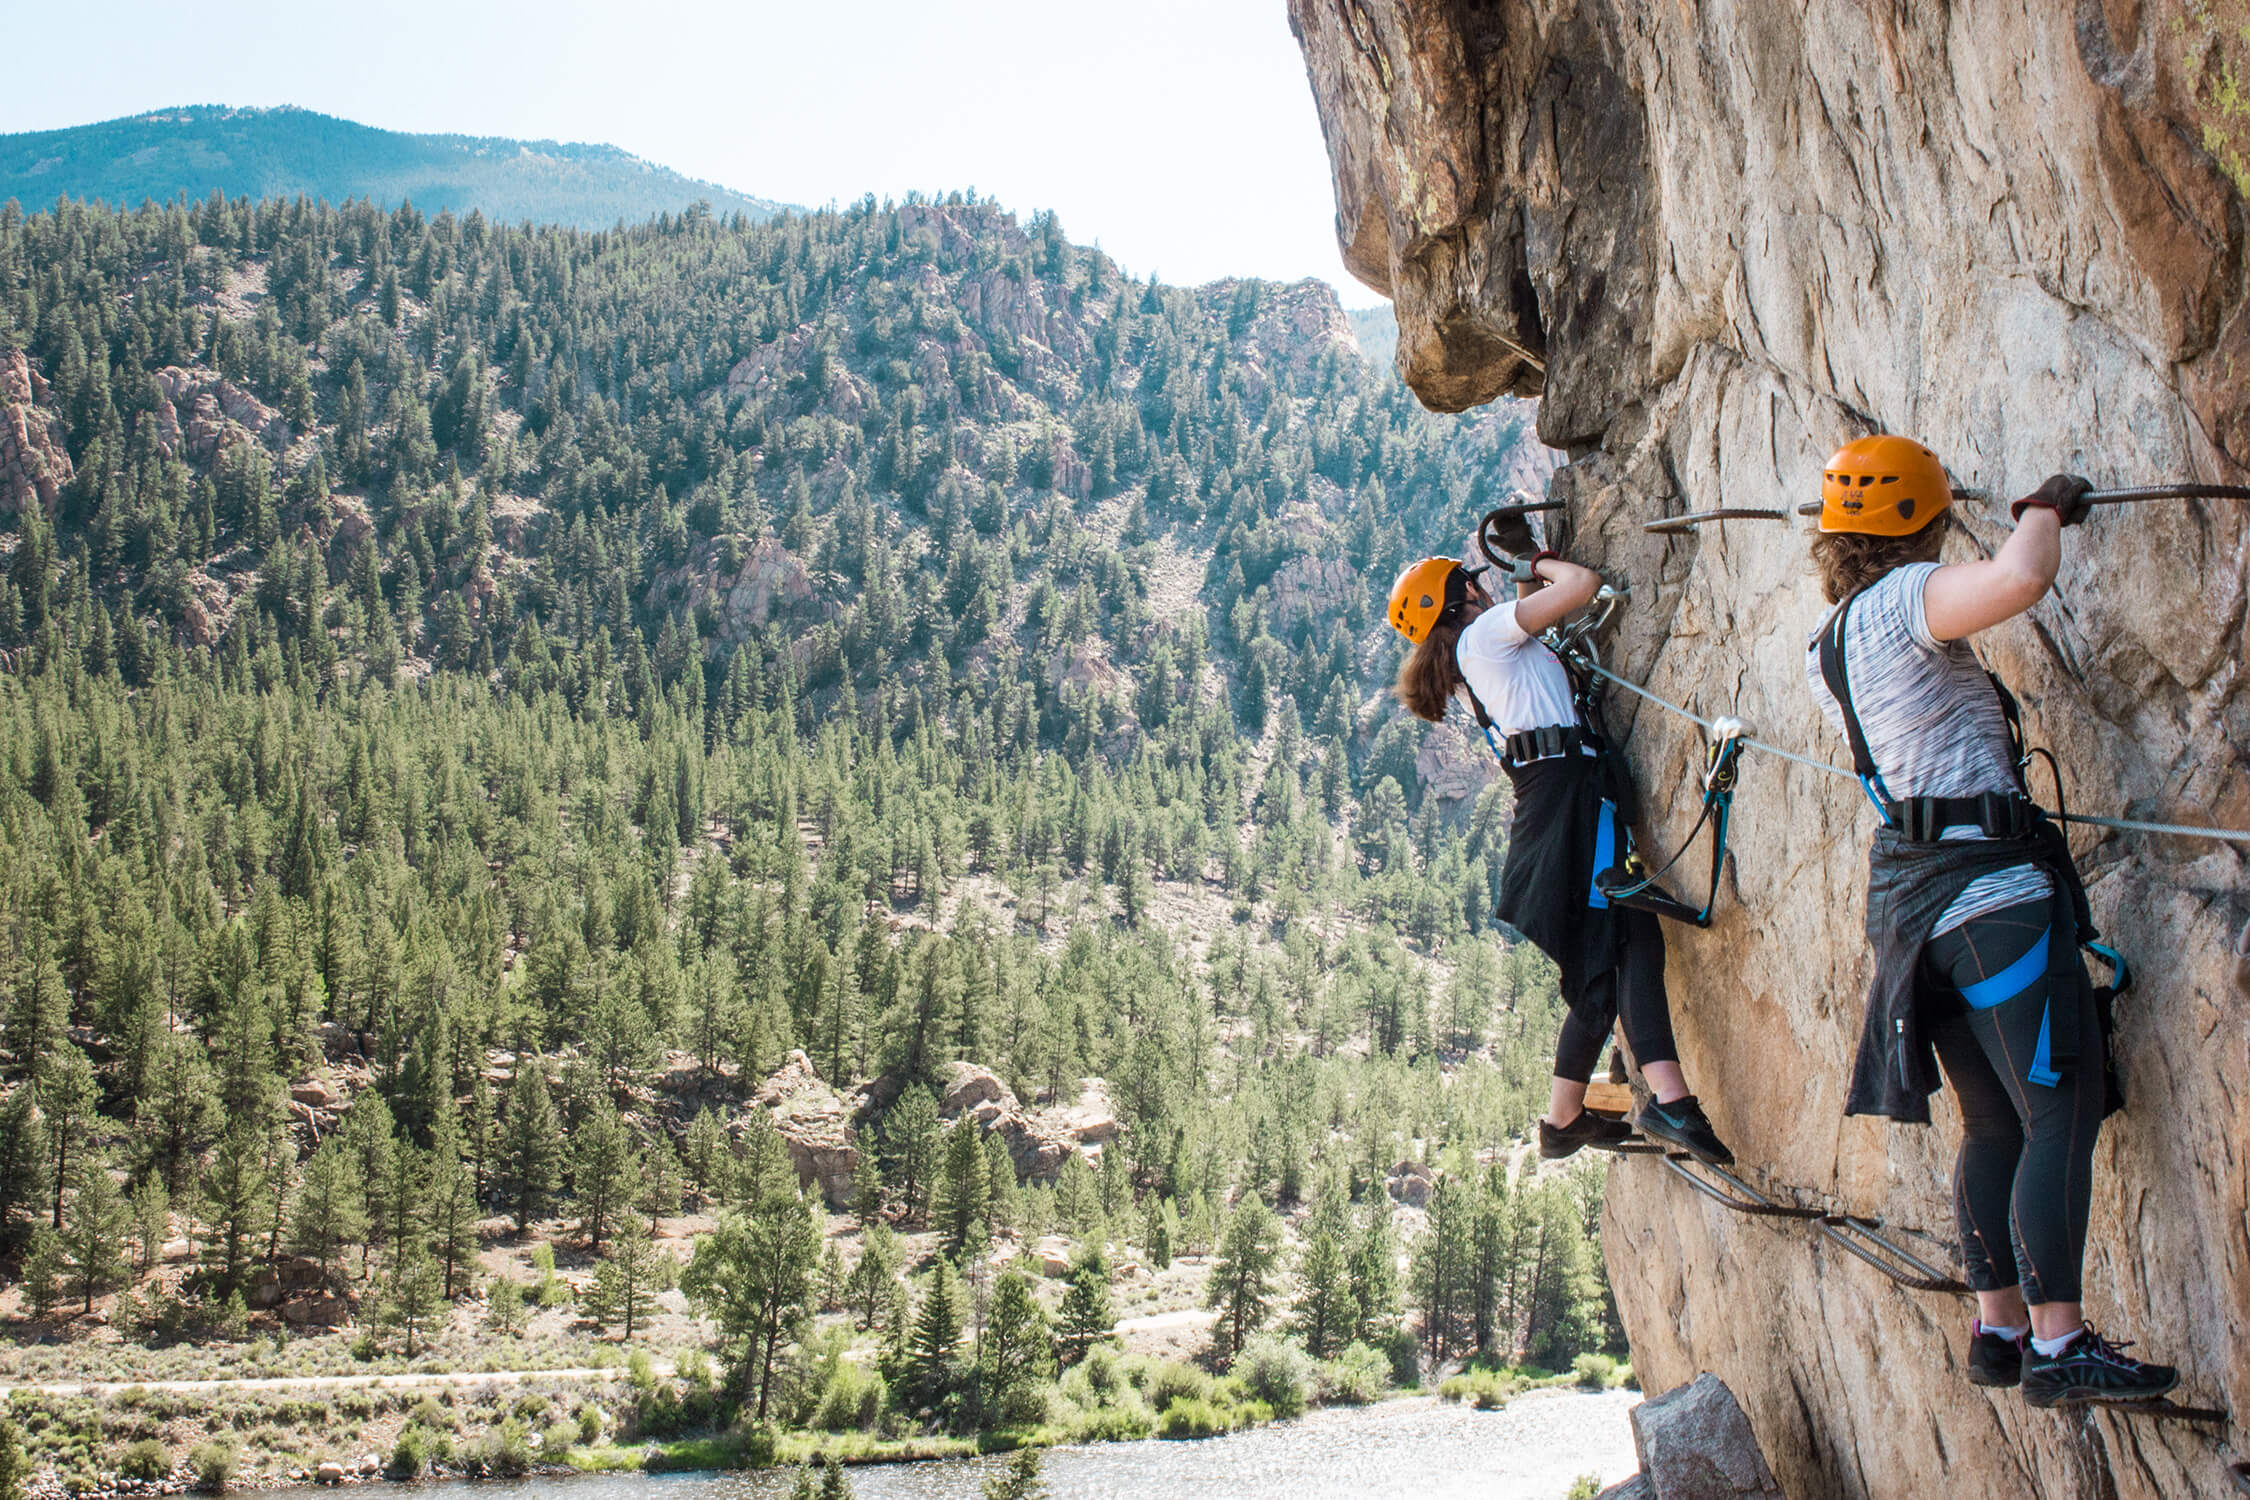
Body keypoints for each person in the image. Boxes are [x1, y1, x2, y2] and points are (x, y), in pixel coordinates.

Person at [1803, 434, 2176, 1407]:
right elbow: (2017, 581)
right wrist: (2043, 508)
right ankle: (2059, 1344)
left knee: (1996, 1123)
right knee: (2061, 1109)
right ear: (1917, 521)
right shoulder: (1901, 605)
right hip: (1990, 896)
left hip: (1916, 911)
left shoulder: (1830, 638)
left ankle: (2000, 1325)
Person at [1387, 537, 1732, 1166]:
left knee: (1621, 952)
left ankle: (1583, 1118)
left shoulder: (1475, 653)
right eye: (1471, 577)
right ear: (1462, 593)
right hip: (1575, 804)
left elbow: (1532, 634)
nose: (1479, 582)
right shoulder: (1482, 637)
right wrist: (1538, 564)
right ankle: (1654, 1104)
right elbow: (1580, 585)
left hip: (1560, 804)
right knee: (1617, 951)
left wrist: (1523, 575)